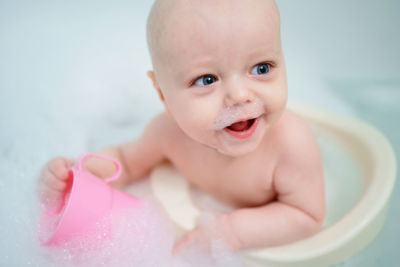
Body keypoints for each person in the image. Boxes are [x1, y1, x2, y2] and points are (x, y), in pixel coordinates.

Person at [38, 0, 325, 253]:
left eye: (261, 68)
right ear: (163, 95)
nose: (240, 95)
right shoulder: (167, 133)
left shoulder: (291, 143)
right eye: (206, 80)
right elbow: (126, 162)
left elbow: (306, 215)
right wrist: (79, 175)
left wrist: (231, 232)